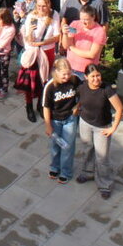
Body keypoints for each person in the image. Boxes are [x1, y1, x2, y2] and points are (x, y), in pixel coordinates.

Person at [76, 63, 123, 199]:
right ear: (86, 77)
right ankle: (87, 172)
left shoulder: (106, 89)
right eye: (92, 76)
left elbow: (119, 109)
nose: (96, 79)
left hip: (102, 127)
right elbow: (81, 99)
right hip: (85, 122)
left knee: (102, 157)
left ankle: (105, 184)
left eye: (98, 75)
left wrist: (113, 128)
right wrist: (77, 107)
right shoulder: (82, 87)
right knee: (87, 149)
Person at [43, 57, 79, 185]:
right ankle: (54, 167)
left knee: (68, 146)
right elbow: (46, 107)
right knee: (55, 145)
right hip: (55, 120)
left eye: (69, 73)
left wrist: (77, 106)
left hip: (70, 118)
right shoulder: (50, 86)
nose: (67, 77)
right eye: (64, 74)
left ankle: (66, 172)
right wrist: (48, 125)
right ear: (56, 72)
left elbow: (82, 95)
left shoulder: (75, 80)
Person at [61, 5, 107, 77]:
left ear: (93, 17)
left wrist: (72, 48)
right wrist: (65, 34)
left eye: (86, 19)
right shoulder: (75, 24)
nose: (83, 22)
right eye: (81, 18)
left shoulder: (99, 32)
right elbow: (66, 45)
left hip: (85, 71)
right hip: (69, 67)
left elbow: (91, 54)